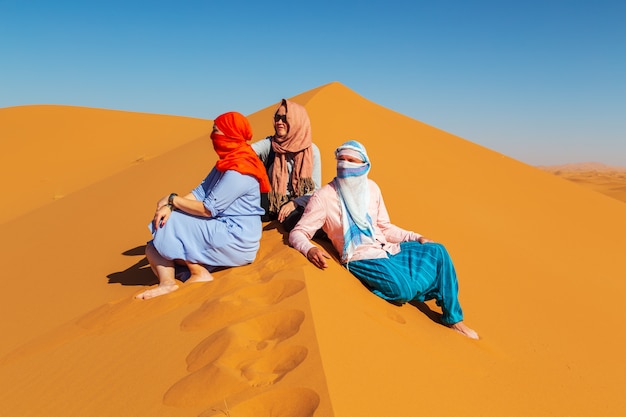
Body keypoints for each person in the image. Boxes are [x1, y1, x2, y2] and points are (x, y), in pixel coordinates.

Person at [289, 140, 479, 339]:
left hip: (387, 249)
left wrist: (416, 237)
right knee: (403, 289)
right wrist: (309, 249)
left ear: (364, 166)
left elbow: (384, 226)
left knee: (438, 251)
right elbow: (298, 232)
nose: (345, 165)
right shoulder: (325, 197)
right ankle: (409, 286)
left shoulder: (372, 189)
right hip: (360, 257)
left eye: (351, 161)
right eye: (341, 160)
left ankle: (454, 319)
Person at [136, 112, 271, 300]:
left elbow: (208, 209)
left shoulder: (240, 170)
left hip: (237, 237)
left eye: (216, 131)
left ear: (229, 134)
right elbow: (199, 193)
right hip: (220, 229)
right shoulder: (227, 162)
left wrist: (172, 200)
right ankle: (167, 283)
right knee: (153, 248)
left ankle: (199, 272)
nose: (212, 136)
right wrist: (169, 206)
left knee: (171, 222)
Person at [251, 99, 321, 231]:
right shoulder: (271, 144)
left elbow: (315, 190)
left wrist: (294, 203)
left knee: (296, 221)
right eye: (277, 117)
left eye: (285, 118)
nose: (279, 122)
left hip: (299, 203)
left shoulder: (311, 151)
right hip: (272, 202)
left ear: (296, 121)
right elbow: (246, 152)